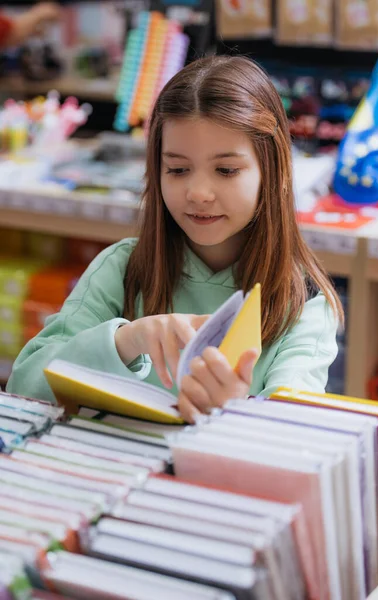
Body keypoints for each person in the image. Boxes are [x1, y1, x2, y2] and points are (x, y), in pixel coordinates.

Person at [7, 55, 343, 423]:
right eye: (178, 169)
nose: (198, 192)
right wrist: (124, 342)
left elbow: (295, 434)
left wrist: (235, 411)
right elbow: (25, 385)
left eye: (226, 170)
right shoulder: (123, 267)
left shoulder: (302, 299)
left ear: (275, 171)